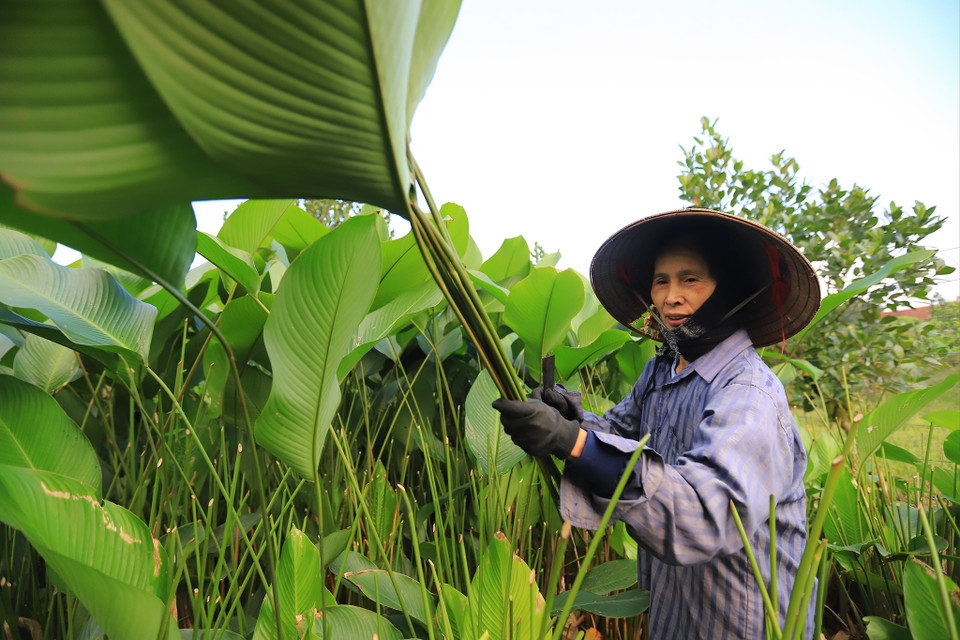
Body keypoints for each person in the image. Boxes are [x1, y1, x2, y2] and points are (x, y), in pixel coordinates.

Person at [492, 208, 821, 640]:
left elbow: (704, 513)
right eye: (661, 280)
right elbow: (622, 436)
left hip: (742, 619)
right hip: (674, 607)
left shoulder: (749, 394)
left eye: (691, 280)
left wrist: (573, 443)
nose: (670, 297)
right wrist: (571, 420)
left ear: (731, 290)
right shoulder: (662, 371)